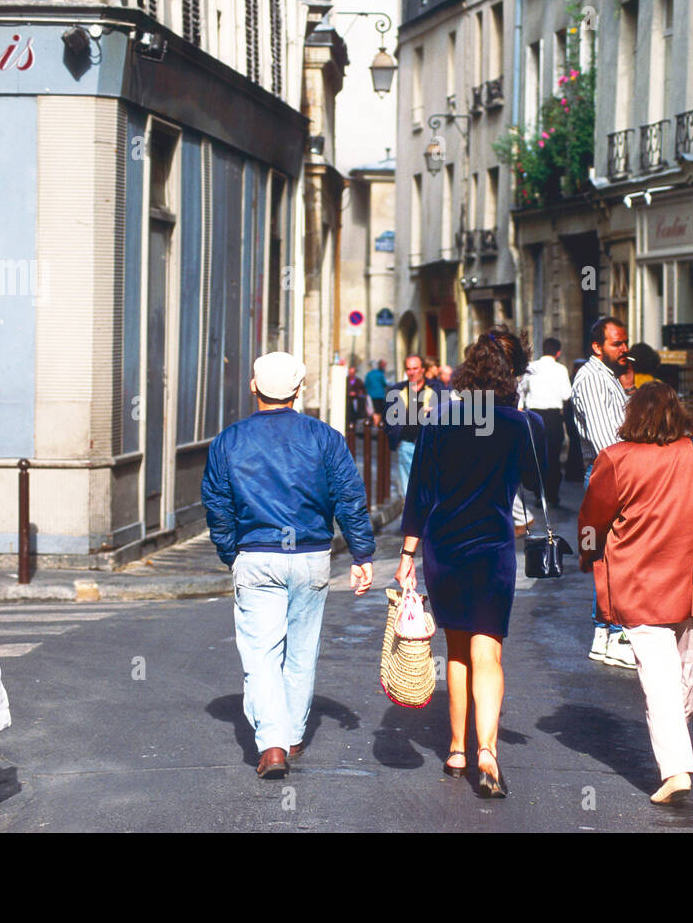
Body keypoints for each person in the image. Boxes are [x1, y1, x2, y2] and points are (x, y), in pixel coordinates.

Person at [202, 352, 375, 779]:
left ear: (253, 388)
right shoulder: (324, 437)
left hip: (257, 553)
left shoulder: (229, 440)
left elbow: (218, 505)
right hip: (311, 555)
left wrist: (230, 553)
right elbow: (348, 498)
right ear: (300, 390)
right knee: (301, 652)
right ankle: (294, 734)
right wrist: (361, 553)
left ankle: (273, 744)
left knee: (261, 655)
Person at [577, 381, 693, 805]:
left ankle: (675, 769)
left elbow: (592, 520)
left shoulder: (615, 459)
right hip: (692, 582)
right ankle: (676, 751)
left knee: (662, 678)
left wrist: (587, 557)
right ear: (679, 412)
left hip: (638, 585)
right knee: (683, 673)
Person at [396, 328, 546, 799]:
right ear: (512, 376)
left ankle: (457, 750)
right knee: (489, 652)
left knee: (456, 648)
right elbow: (539, 480)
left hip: (444, 548)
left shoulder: (439, 418)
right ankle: (488, 753)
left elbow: (420, 491)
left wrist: (406, 556)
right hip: (493, 549)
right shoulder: (521, 425)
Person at [571, 316, 636, 669]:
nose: (624, 349)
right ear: (597, 347)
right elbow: (605, 444)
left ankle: (606, 634)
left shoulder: (608, 377)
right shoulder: (592, 380)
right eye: (616, 344)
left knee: (612, 558)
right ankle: (612, 634)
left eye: (625, 342)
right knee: (615, 559)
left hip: (614, 474)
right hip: (609, 475)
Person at [521, 337, 574, 506]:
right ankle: (552, 494)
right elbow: (567, 394)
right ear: (558, 353)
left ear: (542, 350)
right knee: (553, 455)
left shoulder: (531, 367)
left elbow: (522, 390)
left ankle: (539, 493)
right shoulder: (560, 369)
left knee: (536, 455)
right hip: (553, 417)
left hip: (534, 415)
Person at [384, 354, 442, 499]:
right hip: (406, 444)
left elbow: (448, 415)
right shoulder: (397, 390)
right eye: (408, 369)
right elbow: (388, 416)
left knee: (429, 488)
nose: (412, 372)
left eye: (415, 368)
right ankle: (410, 519)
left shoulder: (437, 389)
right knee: (407, 491)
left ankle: (425, 519)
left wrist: (435, 412)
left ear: (423, 369)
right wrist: (394, 435)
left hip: (430, 445)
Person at [364, 359, 389, 425]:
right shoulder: (380, 374)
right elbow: (385, 384)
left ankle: (376, 425)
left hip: (372, 395)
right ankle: (378, 425)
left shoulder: (368, 374)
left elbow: (366, 385)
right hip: (380, 395)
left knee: (374, 411)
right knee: (380, 411)